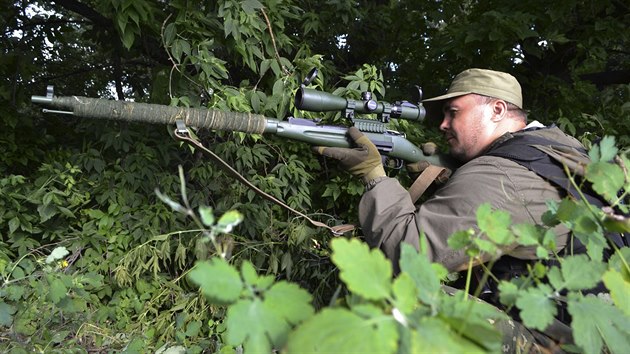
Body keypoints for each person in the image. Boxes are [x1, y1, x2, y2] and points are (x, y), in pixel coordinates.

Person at [313, 68, 590, 351]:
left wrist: (373, 174)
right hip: (582, 332)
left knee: (400, 298)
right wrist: (446, 180)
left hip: (553, 342)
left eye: (453, 112)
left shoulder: (499, 174)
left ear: (497, 109)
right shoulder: (552, 153)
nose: (443, 124)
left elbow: (410, 257)